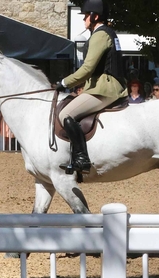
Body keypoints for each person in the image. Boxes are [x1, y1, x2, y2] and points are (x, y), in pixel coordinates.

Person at [53, 0, 127, 175]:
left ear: (95, 16)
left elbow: (87, 69)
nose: (84, 19)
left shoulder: (100, 35)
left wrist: (64, 83)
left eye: (86, 15)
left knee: (65, 114)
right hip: (108, 85)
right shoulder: (107, 33)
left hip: (105, 88)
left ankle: (81, 158)